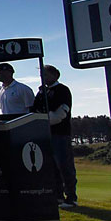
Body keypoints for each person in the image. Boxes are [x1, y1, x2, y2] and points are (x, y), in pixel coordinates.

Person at [31, 65, 77, 208]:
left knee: (64, 165)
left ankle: (71, 197)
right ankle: (58, 196)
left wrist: (44, 120)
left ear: (55, 75)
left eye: (45, 74)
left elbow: (61, 113)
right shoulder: (41, 92)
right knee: (51, 167)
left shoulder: (62, 90)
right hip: (45, 134)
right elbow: (35, 109)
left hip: (60, 133)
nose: (43, 77)